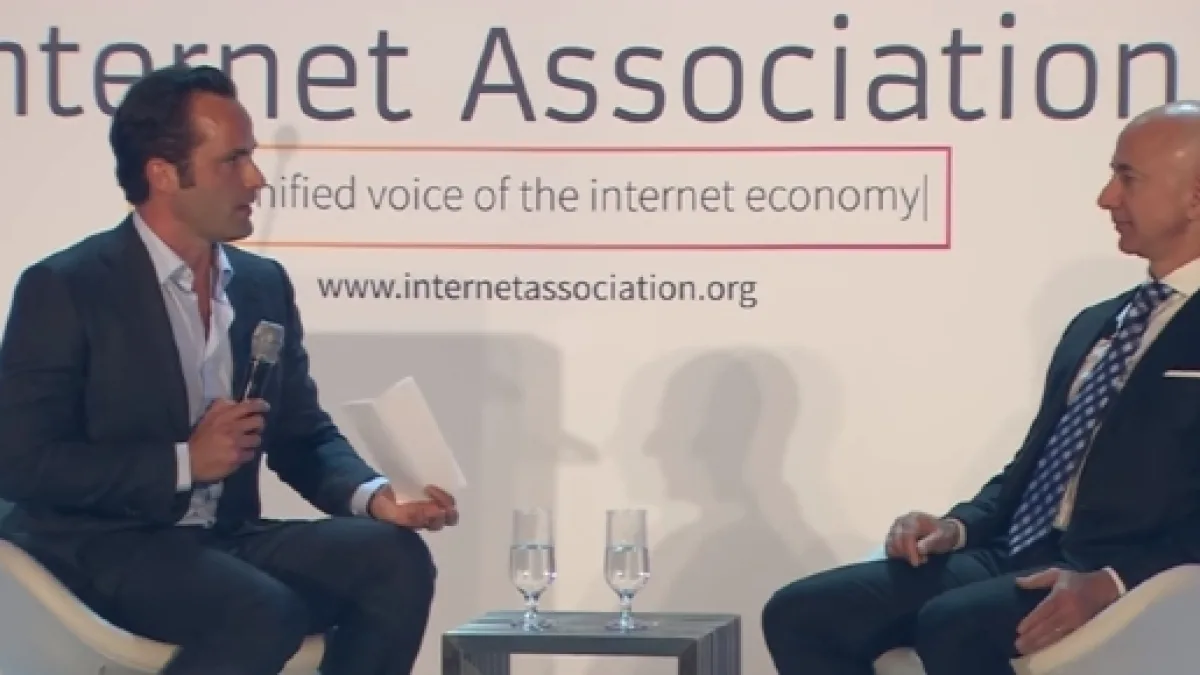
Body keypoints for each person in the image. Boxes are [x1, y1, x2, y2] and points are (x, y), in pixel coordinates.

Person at [0, 64, 459, 675]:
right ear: (164, 174)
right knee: (261, 611)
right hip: (102, 546)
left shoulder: (261, 284)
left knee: (394, 560)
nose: (256, 178)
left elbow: (301, 434)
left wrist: (376, 498)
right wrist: (184, 462)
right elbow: (21, 461)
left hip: (223, 539)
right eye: (232, 160)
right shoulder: (68, 286)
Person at [761, 99, 1200, 675]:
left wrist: (1114, 581)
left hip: (1121, 574)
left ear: (1195, 198)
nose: (1106, 198)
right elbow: (1039, 468)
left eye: (1128, 178)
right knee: (801, 613)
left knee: (956, 624)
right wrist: (957, 526)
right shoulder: (1098, 322)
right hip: (1014, 552)